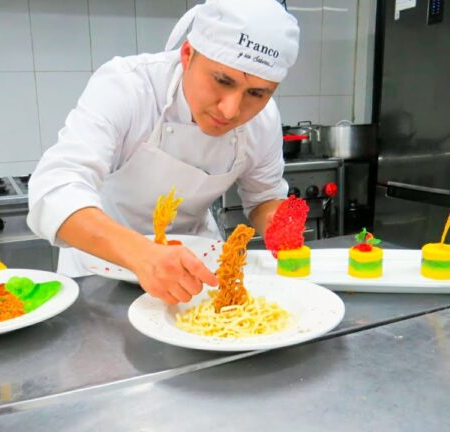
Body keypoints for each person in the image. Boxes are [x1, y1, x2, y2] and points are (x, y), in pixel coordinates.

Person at [27, 0, 300, 304]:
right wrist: (143, 255)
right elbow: (55, 188)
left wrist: (283, 232)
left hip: (197, 276)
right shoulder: (129, 86)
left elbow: (264, 198)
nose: (231, 109)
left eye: (256, 93)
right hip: (101, 274)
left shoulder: (263, 121)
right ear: (187, 54)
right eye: (222, 80)